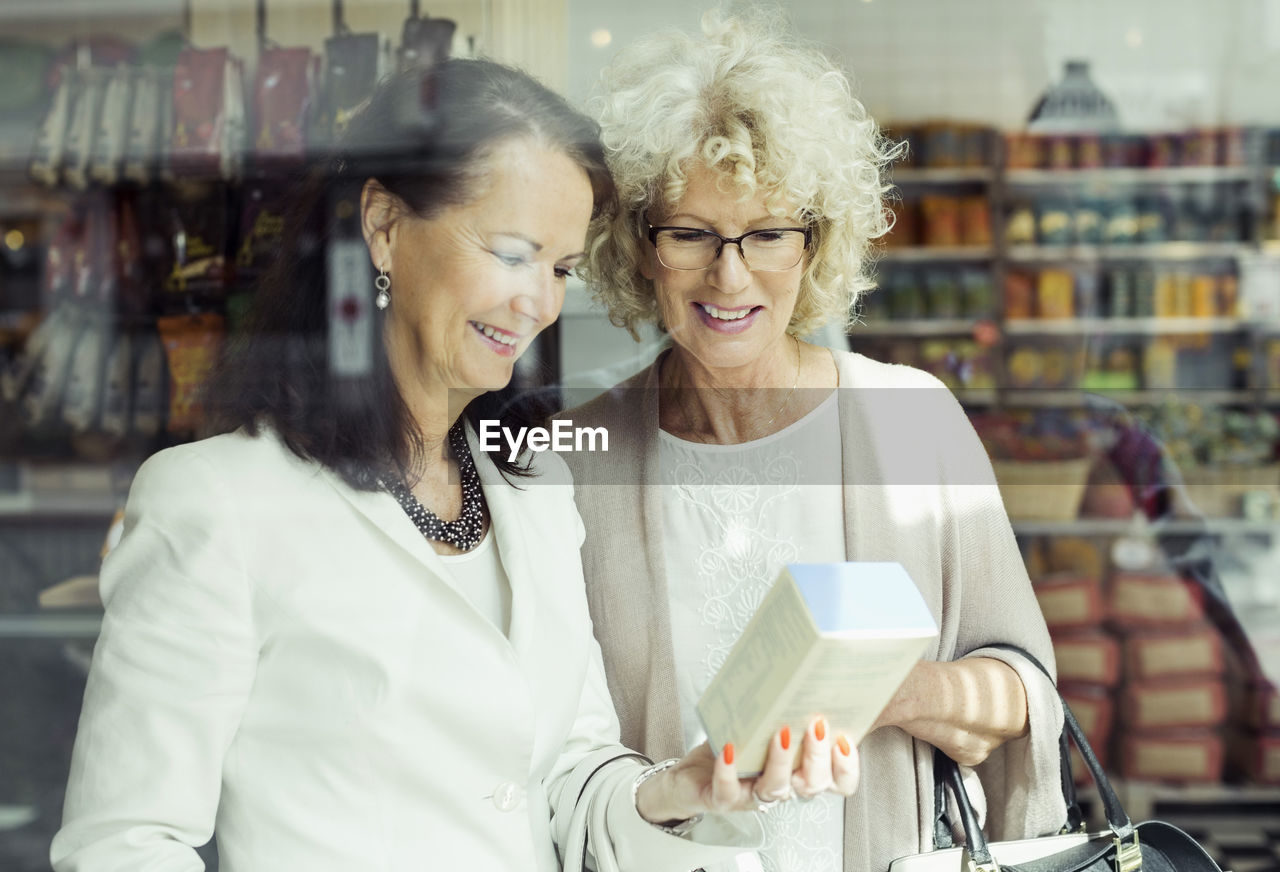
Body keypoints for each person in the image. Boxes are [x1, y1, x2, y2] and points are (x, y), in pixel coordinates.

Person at [49, 59, 859, 872]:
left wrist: (679, 791)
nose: (540, 303)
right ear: (385, 226)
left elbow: (568, 776)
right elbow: (125, 845)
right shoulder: (218, 501)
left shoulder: (533, 484)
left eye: (561, 269)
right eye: (512, 253)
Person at [558, 11, 1069, 872]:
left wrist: (895, 691)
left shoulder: (915, 422)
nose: (730, 275)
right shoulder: (580, 455)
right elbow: (558, 754)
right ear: (638, 248)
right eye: (689, 233)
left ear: (816, 241)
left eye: (767, 233)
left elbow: (1023, 688)